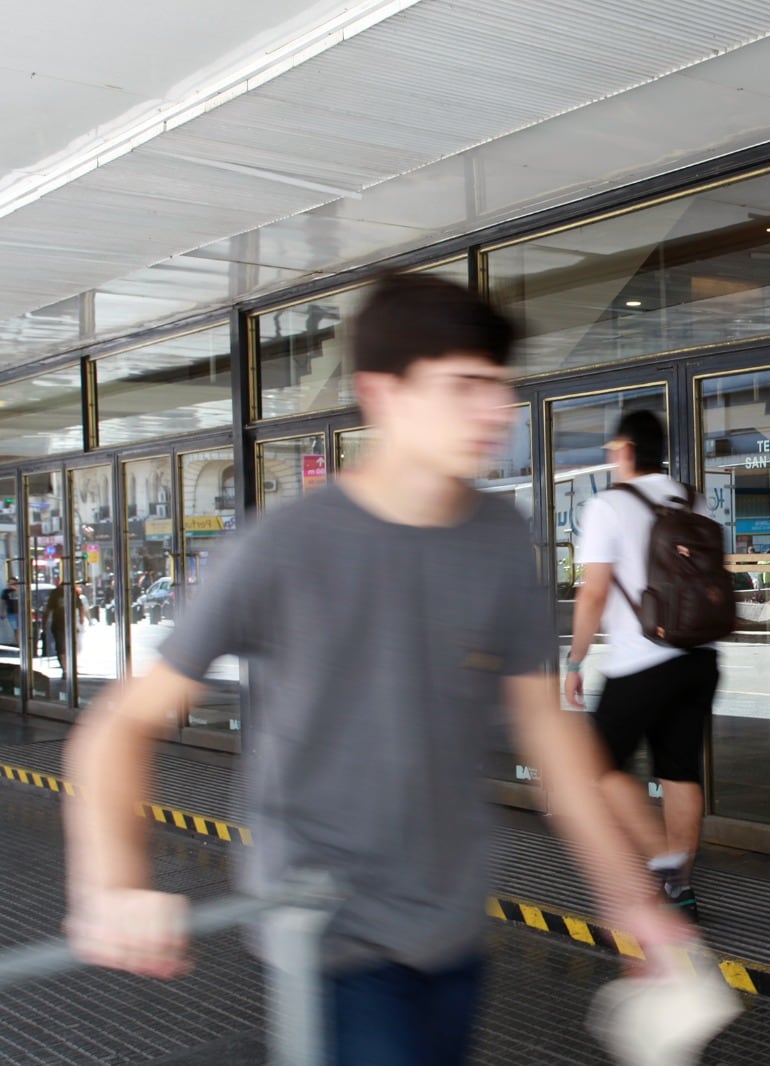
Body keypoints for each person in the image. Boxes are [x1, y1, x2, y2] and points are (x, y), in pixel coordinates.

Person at [62, 276, 690, 1066]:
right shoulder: (283, 546)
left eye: (499, 387)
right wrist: (113, 882)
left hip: (453, 924)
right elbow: (121, 724)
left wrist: (632, 901)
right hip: (327, 932)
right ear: (381, 394)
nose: (496, 411)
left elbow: (547, 732)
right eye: (464, 387)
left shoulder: (498, 537)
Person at [563, 411, 719, 920]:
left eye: (612, 449)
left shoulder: (608, 505)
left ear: (626, 448)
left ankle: (664, 861)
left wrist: (575, 658)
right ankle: (683, 891)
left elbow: (593, 594)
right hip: (698, 657)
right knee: (679, 770)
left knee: (595, 764)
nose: (610, 458)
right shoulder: (691, 498)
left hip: (641, 662)